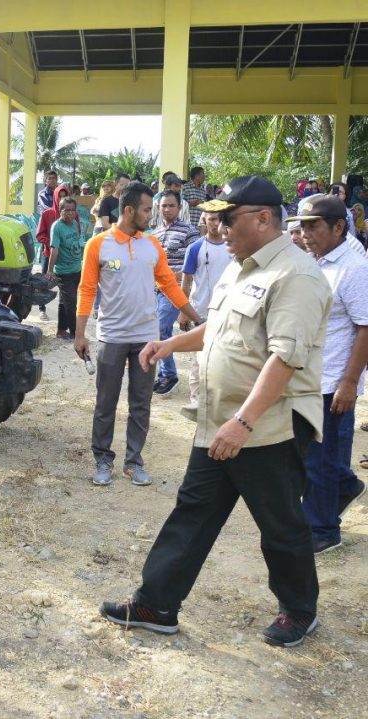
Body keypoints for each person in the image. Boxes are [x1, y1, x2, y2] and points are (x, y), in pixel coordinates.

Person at [98, 176, 331, 649]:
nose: (219, 227)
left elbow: (284, 358)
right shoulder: (239, 267)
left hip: (269, 426)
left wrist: (243, 422)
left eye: (229, 217)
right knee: (193, 511)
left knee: (279, 523)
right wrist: (168, 344)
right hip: (220, 420)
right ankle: (156, 603)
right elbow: (217, 331)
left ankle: (299, 611)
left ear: (264, 218)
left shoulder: (296, 275)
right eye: (217, 217)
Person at [74, 181, 202, 487]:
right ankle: (103, 459)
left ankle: (134, 462)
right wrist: (80, 334)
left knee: (141, 402)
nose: (151, 214)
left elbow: (169, 284)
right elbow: (87, 289)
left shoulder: (151, 244)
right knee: (106, 401)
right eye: (147, 209)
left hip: (147, 336)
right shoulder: (98, 245)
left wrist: (196, 316)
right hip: (112, 336)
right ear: (129, 210)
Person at [287, 195, 368, 554]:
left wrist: (349, 383)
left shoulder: (353, 268)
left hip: (334, 381)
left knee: (320, 460)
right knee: (314, 456)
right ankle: (347, 485)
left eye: (313, 225)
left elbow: (366, 328)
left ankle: (322, 530)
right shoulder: (315, 261)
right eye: (301, 226)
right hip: (307, 378)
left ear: (338, 227)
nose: (305, 233)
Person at [179, 211, 234, 411]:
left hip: (228, 312)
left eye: (220, 219)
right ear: (204, 220)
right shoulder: (195, 248)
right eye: (211, 219)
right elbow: (186, 281)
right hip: (200, 313)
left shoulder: (233, 247)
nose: (215, 224)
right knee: (198, 359)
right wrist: (184, 310)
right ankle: (197, 400)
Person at [151, 190, 200, 396]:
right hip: (153, 289)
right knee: (154, 330)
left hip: (173, 290)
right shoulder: (154, 234)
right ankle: (163, 373)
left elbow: (193, 266)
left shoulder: (190, 232)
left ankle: (169, 375)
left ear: (179, 208)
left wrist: (173, 276)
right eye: (164, 205)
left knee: (162, 328)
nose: (167, 209)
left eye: (171, 205)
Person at [47, 196, 86, 340]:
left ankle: (61, 330)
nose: (70, 213)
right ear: (60, 210)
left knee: (65, 301)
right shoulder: (57, 227)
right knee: (71, 303)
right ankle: (76, 334)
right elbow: (54, 250)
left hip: (76, 269)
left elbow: (78, 242)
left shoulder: (75, 223)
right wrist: (50, 270)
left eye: (72, 210)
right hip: (63, 272)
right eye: (67, 210)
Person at [35, 184, 73, 322]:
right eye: (60, 196)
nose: (62, 199)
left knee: (66, 287)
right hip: (48, 255)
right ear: (55, 197)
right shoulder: (47, 214)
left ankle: (64, 318)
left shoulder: (73, 215)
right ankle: (42, 309)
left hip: (66, 257)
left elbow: (77, 232)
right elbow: (39, 235)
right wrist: (52, 243)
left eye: (65, 196)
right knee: (44, 283)